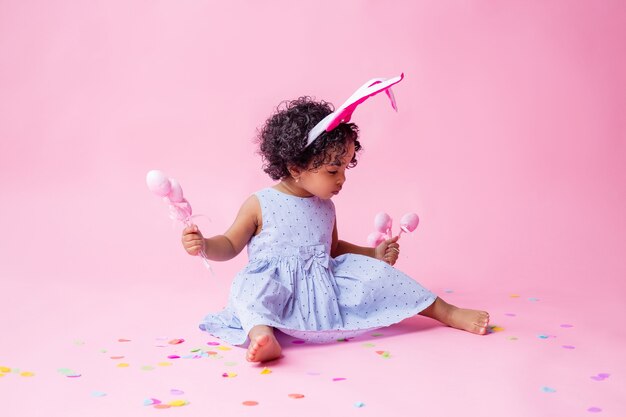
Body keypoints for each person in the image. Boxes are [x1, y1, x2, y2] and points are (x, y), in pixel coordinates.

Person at [181, 90, 489, 363]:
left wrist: (374, 255)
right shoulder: (260, 203)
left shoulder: (326, 207)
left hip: (323, 288)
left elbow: (334, 249)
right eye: (333, 170)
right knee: (247, 291)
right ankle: (264, 336)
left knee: (380, 277)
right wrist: (206, 245)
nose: (342, 179)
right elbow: (231, 244)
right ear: (296, 167)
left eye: (345, 167)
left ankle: (446, 312)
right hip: (277, 288)